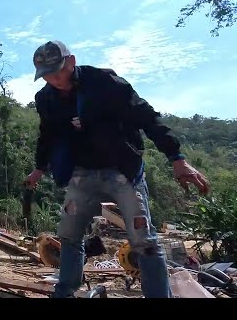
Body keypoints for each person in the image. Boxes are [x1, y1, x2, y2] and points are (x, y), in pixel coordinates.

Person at [25, 40, 209, 298]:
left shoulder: (105, 83)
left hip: (122, 170)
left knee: (143, 241)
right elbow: (47, 135)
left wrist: (176, 157)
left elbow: (147, 117)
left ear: (72, 61)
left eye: (57, 71)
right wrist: (39, 168)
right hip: (82, 171)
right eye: (46, 75)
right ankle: (64, 292)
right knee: (68, 234)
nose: (53, 79)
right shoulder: (45, 98)